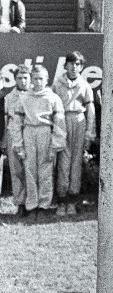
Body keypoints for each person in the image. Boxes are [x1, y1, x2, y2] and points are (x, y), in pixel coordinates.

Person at [11, 65, 66, 222]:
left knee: (46, 171)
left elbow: (59, 124)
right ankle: (32, 206)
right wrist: (19, 145)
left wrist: (55, 146)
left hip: (45, 132)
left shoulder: (53, 98)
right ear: (31, 79)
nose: (38, 82)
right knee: (29, 170)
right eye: (35, 78)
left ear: (47, 79)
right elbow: (16, 123)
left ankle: (43, 206)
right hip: (29, 131)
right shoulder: (24, 98)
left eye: (41, 78)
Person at [52, 51, 96, 216]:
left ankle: (72, 200)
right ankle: (61, 201)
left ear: (81, 67)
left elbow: (90, 110)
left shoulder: (84, 86)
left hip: (78, 121)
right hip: (62, 121)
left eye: (78, 64)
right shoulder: (57, 84)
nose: (74, 67)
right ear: (66, 66)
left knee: (76, 162)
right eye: (71, 63)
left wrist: (90, 134)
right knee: (63, 162)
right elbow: (51, 107)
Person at [2, 65, 32, 216]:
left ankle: (33, 203)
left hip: (31, 134)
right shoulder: (9, 97)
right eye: (19, 78)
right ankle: (20, 203)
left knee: (31, 170)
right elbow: (6, 119)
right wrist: (3, 141)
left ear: (30, 78)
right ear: (15, 80)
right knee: (17, 170)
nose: (23, 81)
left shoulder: (37, 95)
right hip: (13, 135)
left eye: (25, 78)